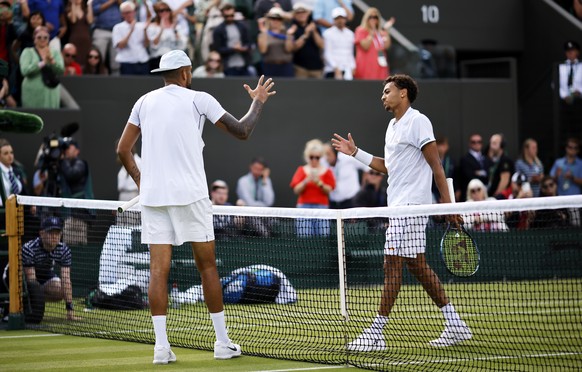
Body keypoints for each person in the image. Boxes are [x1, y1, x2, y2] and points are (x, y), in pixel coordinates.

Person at [116, 49, 276, 363]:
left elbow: (123, 150)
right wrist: (258, 101)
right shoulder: (199, 98)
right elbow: (243, 131)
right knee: (208, 267)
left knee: (158, 271)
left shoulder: (143, 103)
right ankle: (221, 343)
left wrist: (141, 181)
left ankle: (161, 348)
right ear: (187, 72)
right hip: (191, 196)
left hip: (154, 198)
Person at [331, 74, 471, 351]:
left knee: (391, 262)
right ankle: (456, 324)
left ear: (403, 93)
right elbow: (388, 166)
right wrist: (356, 152)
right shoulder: (392, 127)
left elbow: (437, 166)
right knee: (416, 264)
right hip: (398, 205)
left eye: (387, 91)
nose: (382, 96)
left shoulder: (418, 121)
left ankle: (376, 332)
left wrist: (449, 205)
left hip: (412, 206)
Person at [22, 216, 79, 321]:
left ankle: (36, 300)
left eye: (57, 233)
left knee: (61, 290)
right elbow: (31, 280)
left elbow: (66, 279)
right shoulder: (29, 248)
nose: (54, 236)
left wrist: (70, 310)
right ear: (42, 234)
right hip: (23, 280)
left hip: (45, 275)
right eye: (51, 233)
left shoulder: (64, 250)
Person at [289, 138, 335, 237]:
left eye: (317, 157)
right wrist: (306, 180)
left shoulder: (327, 171)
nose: (314, 160)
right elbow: (296, 190)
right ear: (307, 157)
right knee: (305, 237)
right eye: (311, 157)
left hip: (322, 208)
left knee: (323, 236)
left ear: (321, 157)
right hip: (304, 208)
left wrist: (319, 183)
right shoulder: (301, 170)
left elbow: (329, 190)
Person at [19, 25, 64, 108]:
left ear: (49, 39)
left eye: (45, 37)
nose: (42, 39)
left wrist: (52, 62)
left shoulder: (55, 53)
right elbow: (24, 71)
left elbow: (61, 70)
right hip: (32, 92)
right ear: (34, 39)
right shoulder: (28, 52)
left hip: (51, 92)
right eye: (39, 37)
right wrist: (43, 63)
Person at [236, 157, 274, 236]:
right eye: (255, 168)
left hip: (263, 213)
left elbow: (269, 201)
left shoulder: (266, 181)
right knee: (255, 219)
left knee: (273, 220)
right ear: (251, 167)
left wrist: (264, 181)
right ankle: (266, 235)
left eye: (260, 169)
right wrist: (263, 206)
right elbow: (249, 203)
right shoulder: (243, 181)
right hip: (248, 214)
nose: (257, 171)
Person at [212, 3, 253, 77]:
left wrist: (244, 48)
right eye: (227, 16)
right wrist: (233, 49)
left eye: (232, 15)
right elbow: (217, 49)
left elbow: (249, 43)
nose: (229, 18)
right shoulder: (218, 30)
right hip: (228, 66)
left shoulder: (242, 26)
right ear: (222, 15)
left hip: (244, 64)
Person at [353, 7, 394, 80]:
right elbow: (365, 46)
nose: (373, 19)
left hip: (380, 66)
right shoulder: (360, 30)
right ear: (366, 18)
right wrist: (371, 33)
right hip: (366, 66)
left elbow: (387, 46)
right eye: (370, 17)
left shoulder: (380, 32)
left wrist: (387, 31)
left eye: (375, 17)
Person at [146, 1, 188, 71]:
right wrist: (161, 30)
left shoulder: (177, 26)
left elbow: (182, 45)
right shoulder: (152, 27)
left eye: (167, 10)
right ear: (157, 13)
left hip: (174, 60)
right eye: (161, 11)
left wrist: (174, 30)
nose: (165, 12)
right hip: (158, 60)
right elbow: (153, 45)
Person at [323, 142, 366, 209]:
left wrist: (363, 188)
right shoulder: (322, 163)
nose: (326, 157)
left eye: (328, 154)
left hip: (352, 201)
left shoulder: (348, 158)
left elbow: (366, 167)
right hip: (333, 203)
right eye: (324, 154)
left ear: (335, 153)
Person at [112, 1, 149, 75]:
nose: (129, 14)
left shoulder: (142, 25)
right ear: (122, 14)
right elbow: (121, 46)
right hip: (127, 62)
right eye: (125, 13)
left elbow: (146, 45)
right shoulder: (117, 27)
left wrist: (145, 32)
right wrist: (131, 30)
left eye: (130, 12)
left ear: (134, 12)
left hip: (142, 61)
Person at [288, 2, 324, 79]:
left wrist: (313, 31)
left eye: (303, 12)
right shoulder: (293, 28)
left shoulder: (315, 28)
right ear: (294, 15)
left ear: (308, 14)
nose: (301, 15)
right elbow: (293, 48)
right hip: (300, 68)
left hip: (316, 67)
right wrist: (306, 35)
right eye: (298, 13)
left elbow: (321, 45)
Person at [257, 7, 294, 77]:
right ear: (269, 20)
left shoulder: (287, 32)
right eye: (273, 18)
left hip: (285, 67)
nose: (276, 21)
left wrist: (289, 36)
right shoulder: (263, 33)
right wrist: (264, 33)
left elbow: (289, 49)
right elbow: (263, 50)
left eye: (279, 19)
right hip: (269, 67)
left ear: (282, 20)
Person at [322, 7, 354, 80]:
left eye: (342, 18)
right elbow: (327, 53)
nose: (340, 20)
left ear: (345, 19)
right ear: (333, 20)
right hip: (331, 70)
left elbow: (350, 52)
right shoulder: (327, 33)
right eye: (337, 18)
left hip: (347, 70)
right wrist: (335, 67)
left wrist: (353, 66)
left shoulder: (350, 34)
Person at [91, 0, 122, 75]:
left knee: (116, 63)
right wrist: (111, 1)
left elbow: (125, 8)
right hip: (101, 30)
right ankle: (96, 81)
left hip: (117, 31)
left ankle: (117, 83)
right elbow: (95, 10)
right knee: (97, 59)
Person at [457, 133, 488, 202]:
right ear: (470, 144)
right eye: (473, 142)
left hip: (484, 195)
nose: (476, 144)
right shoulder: (465, 159)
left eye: (479, 142)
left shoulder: (486, 158)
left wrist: (478, 173)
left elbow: (489, 175)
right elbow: (469, 176)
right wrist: (482, 174)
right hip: (470, 195)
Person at [65, 0, 94, 69]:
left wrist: (89, 5)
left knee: (85, 59)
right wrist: (73, 4)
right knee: (76, 58)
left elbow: (90, 21)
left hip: (86, 39)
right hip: (75, 39)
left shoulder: (85, 10)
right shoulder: (69, 10)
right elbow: (73, 20)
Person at [484, 133, 514, 199]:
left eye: (494, 143)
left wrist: (495, 197)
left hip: (500, 198)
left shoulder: (505, 160)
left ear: (501, 145)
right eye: (491, 143)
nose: (491, 146)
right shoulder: (494, 161)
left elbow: (504, 181)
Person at [559, 40, 582, 105]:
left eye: (572, 50)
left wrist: (579, 91)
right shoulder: (561, 66)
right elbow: (554, 84)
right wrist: (564, 95)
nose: (570, 53)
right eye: (568, 51)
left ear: (577, 52)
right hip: (563, 102)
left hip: (579, 101)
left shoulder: (581, 66)